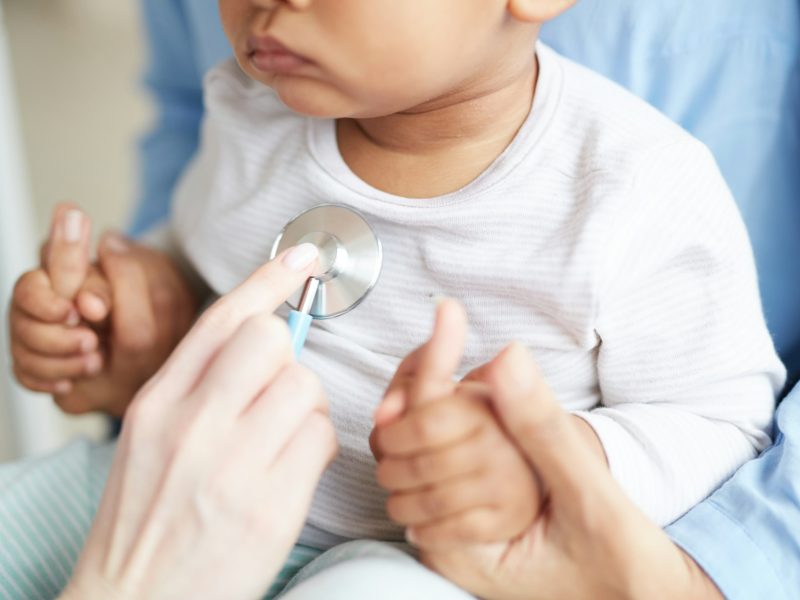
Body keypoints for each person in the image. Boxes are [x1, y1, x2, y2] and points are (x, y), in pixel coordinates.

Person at [1, 1, 794, 599]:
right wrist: (140, 311)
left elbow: (719, 419)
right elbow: (204, 250)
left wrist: (557, 460)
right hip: (189, 489)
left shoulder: (632, 186)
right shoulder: (249, 109)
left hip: (412, 560)